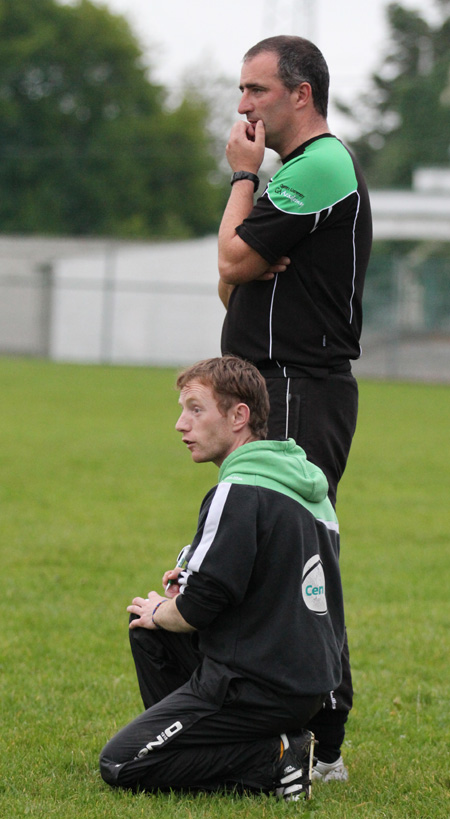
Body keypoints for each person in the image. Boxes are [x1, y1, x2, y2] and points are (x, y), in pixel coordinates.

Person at [217, 36, 372, 781]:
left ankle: (324, 745)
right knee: (265, 561)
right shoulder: (290, 175)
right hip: (270, 384)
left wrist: (242, 181)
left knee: (301, 564)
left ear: (301, 93)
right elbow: (233, 283)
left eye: (256, 90)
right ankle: (275, 729)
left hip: (301, 387)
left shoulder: (320, 166)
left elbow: (230, 261)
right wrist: (247, 250)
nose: (242, 105)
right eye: (241, 90)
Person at [100, 356, 345, 801]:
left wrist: (165, 607)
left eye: (195, 409)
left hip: (255, 682)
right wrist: (183, 586)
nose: (180, 424)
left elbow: (198, 608)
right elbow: (273, 582)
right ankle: (213, 740)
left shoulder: (237, 490)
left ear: (238, 417)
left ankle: (273, 757)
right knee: (148, 631)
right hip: (304, 684)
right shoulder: (311, 492)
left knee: (121, 762)